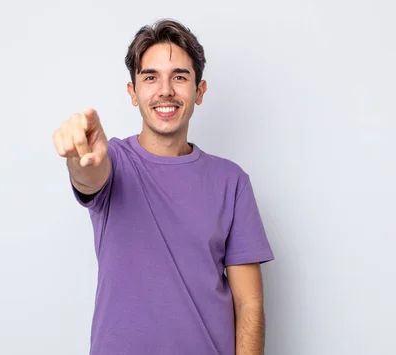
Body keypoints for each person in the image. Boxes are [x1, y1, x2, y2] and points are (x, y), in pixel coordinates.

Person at [52, 18, 274, 355]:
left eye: (180, 77)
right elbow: (88, 176)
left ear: (199, 91)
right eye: (150, 77)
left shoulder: (232, 182)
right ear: (133, 92)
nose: (165, 90)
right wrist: (79, 157)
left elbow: (250, 305)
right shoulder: (112, 162)